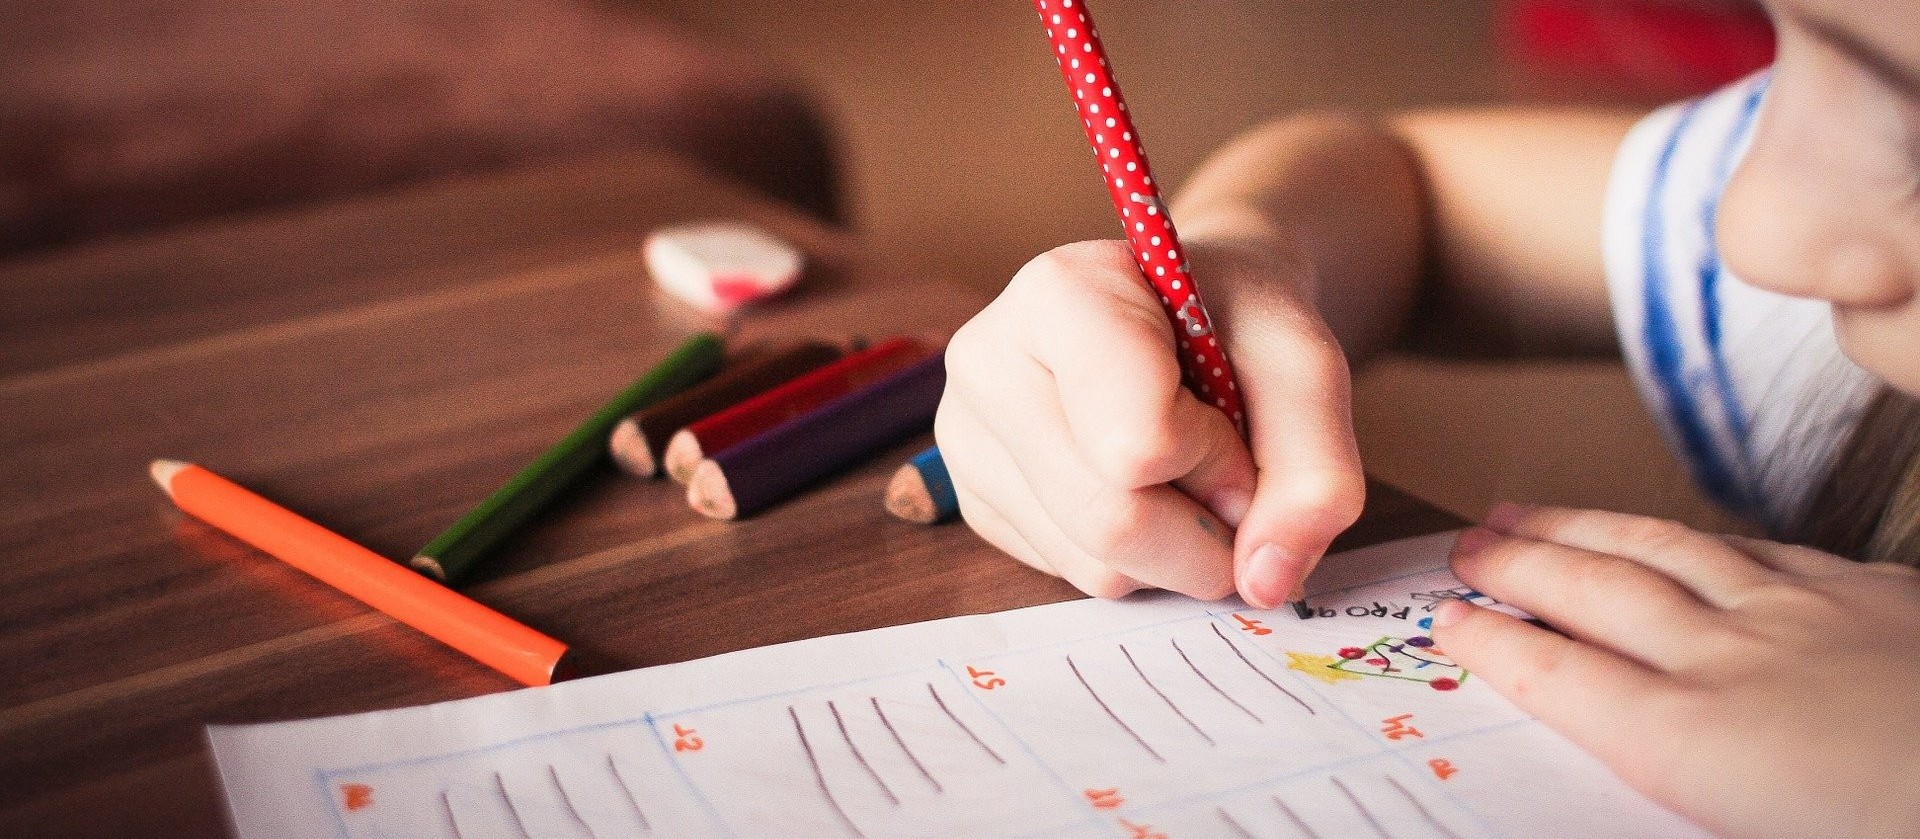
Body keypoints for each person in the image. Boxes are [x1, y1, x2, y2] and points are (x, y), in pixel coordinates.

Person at [934, 0, 1920, 836]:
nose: (1749, 222)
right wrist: (1249, 259)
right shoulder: (1824, 201)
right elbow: (1412, 186)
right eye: (1786, 49)